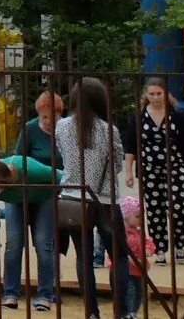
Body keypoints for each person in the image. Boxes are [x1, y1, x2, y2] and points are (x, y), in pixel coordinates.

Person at [56, 75, 128, 319]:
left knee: (83, 257)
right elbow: (117, 163)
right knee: (118, 256)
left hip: (74, 198)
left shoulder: (62, 126)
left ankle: (92, 311)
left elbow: (62, 155)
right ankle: (122, 310)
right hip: (105, 199)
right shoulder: (109, 130)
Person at [0, 152, 62, 309]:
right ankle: (10, 294)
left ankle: (45, 295)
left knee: (43, 243)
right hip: (15, 202)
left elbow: (60, 176)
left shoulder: (29, 168)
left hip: (44, 198)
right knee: (13, 243)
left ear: (6, 178)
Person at [125, 78, 184, 266]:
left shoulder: (178, 116)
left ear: (166, 94)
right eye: (152, 94)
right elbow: (131, 145)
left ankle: (179, 244)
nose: (155, 98)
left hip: (175, 167)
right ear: (146, 95)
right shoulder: (139, 117)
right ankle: (159, 248)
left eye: (159, 93)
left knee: (178, 207)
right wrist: (129, 171)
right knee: (155, 210)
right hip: (149, 169)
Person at [118, 195, 148, 319]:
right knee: (129, 292)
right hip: (128, 269)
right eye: (137, 216)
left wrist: (148, 249)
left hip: (139, 269)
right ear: (126, 216)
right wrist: (135, 261)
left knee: (139, 293)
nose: (140, 220)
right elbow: (123, 252)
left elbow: (147, 242)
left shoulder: (138, 231)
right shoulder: (122, 232)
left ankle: (134, 312)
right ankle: (129, 313)